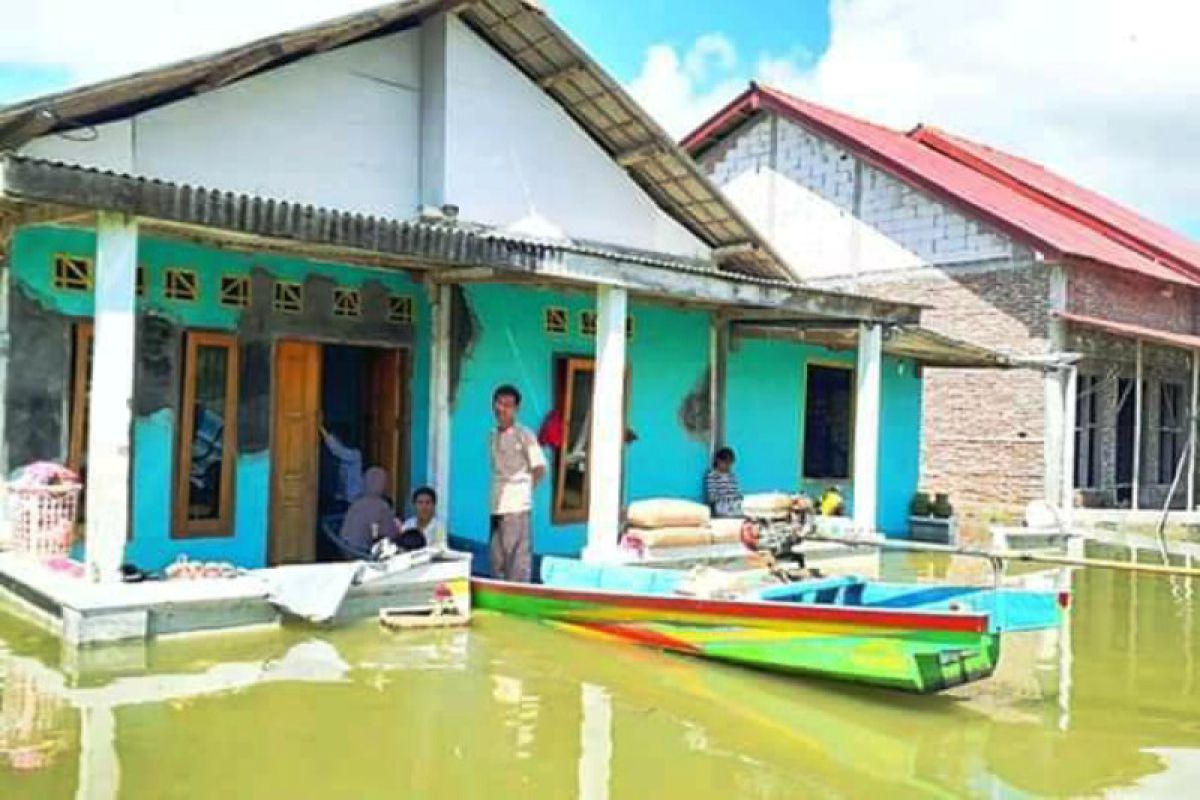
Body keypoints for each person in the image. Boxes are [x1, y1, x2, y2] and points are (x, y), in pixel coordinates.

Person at [488, 384, 546, 582]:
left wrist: (523, 491)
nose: (502, 409)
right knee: (497, 559)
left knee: (517, 562)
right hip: (497, 505)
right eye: (499, 403)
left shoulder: (524, 435)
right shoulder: (492, 435)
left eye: (508, 405)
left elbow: (540, 468)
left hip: (517, 506)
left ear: (516, 409)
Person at [339, 467, 396, 555]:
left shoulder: (355, 504)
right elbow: (389, 536)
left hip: (346, 551)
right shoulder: (382, 507)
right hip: (364, 554)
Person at [320, 423, 364, 506]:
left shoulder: (355, 454)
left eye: (336, 438)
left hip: (353, 499)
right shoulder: (343, 457)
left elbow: (337, 450)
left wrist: (322, 430)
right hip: (344, 498)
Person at [400, 486, 447, 551]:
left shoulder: (439, 527)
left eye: (428, 503)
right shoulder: (408, 524)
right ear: (414, 505)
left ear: (434, 505)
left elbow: (441, 549)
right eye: (420, 502)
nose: (424, 507)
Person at [704, 446, 743, 518]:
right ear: (718, 461)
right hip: (722, 505)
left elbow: (737, 492)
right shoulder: (713, 476)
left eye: (730, 463)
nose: (728, 466)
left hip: (735, 504)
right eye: (726, 463)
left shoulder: (732, 475)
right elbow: (712, 497)